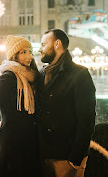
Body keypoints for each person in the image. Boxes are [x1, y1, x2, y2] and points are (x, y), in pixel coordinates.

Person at [37, 29, 96, 177]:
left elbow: (87, 119)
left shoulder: (79, 74)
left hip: (66, 156)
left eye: (44, 44)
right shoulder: (42, 73)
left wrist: (75, 160)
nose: (40, 49)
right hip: (42, 154)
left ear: (57, 44)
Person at [0, 35, 40, 177]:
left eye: (30, 51)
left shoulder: (32, 77)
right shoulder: (8, 78)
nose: (29, 56)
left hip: (30, 143)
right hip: (12, 146)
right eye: (23, 52)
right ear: (14, 55)